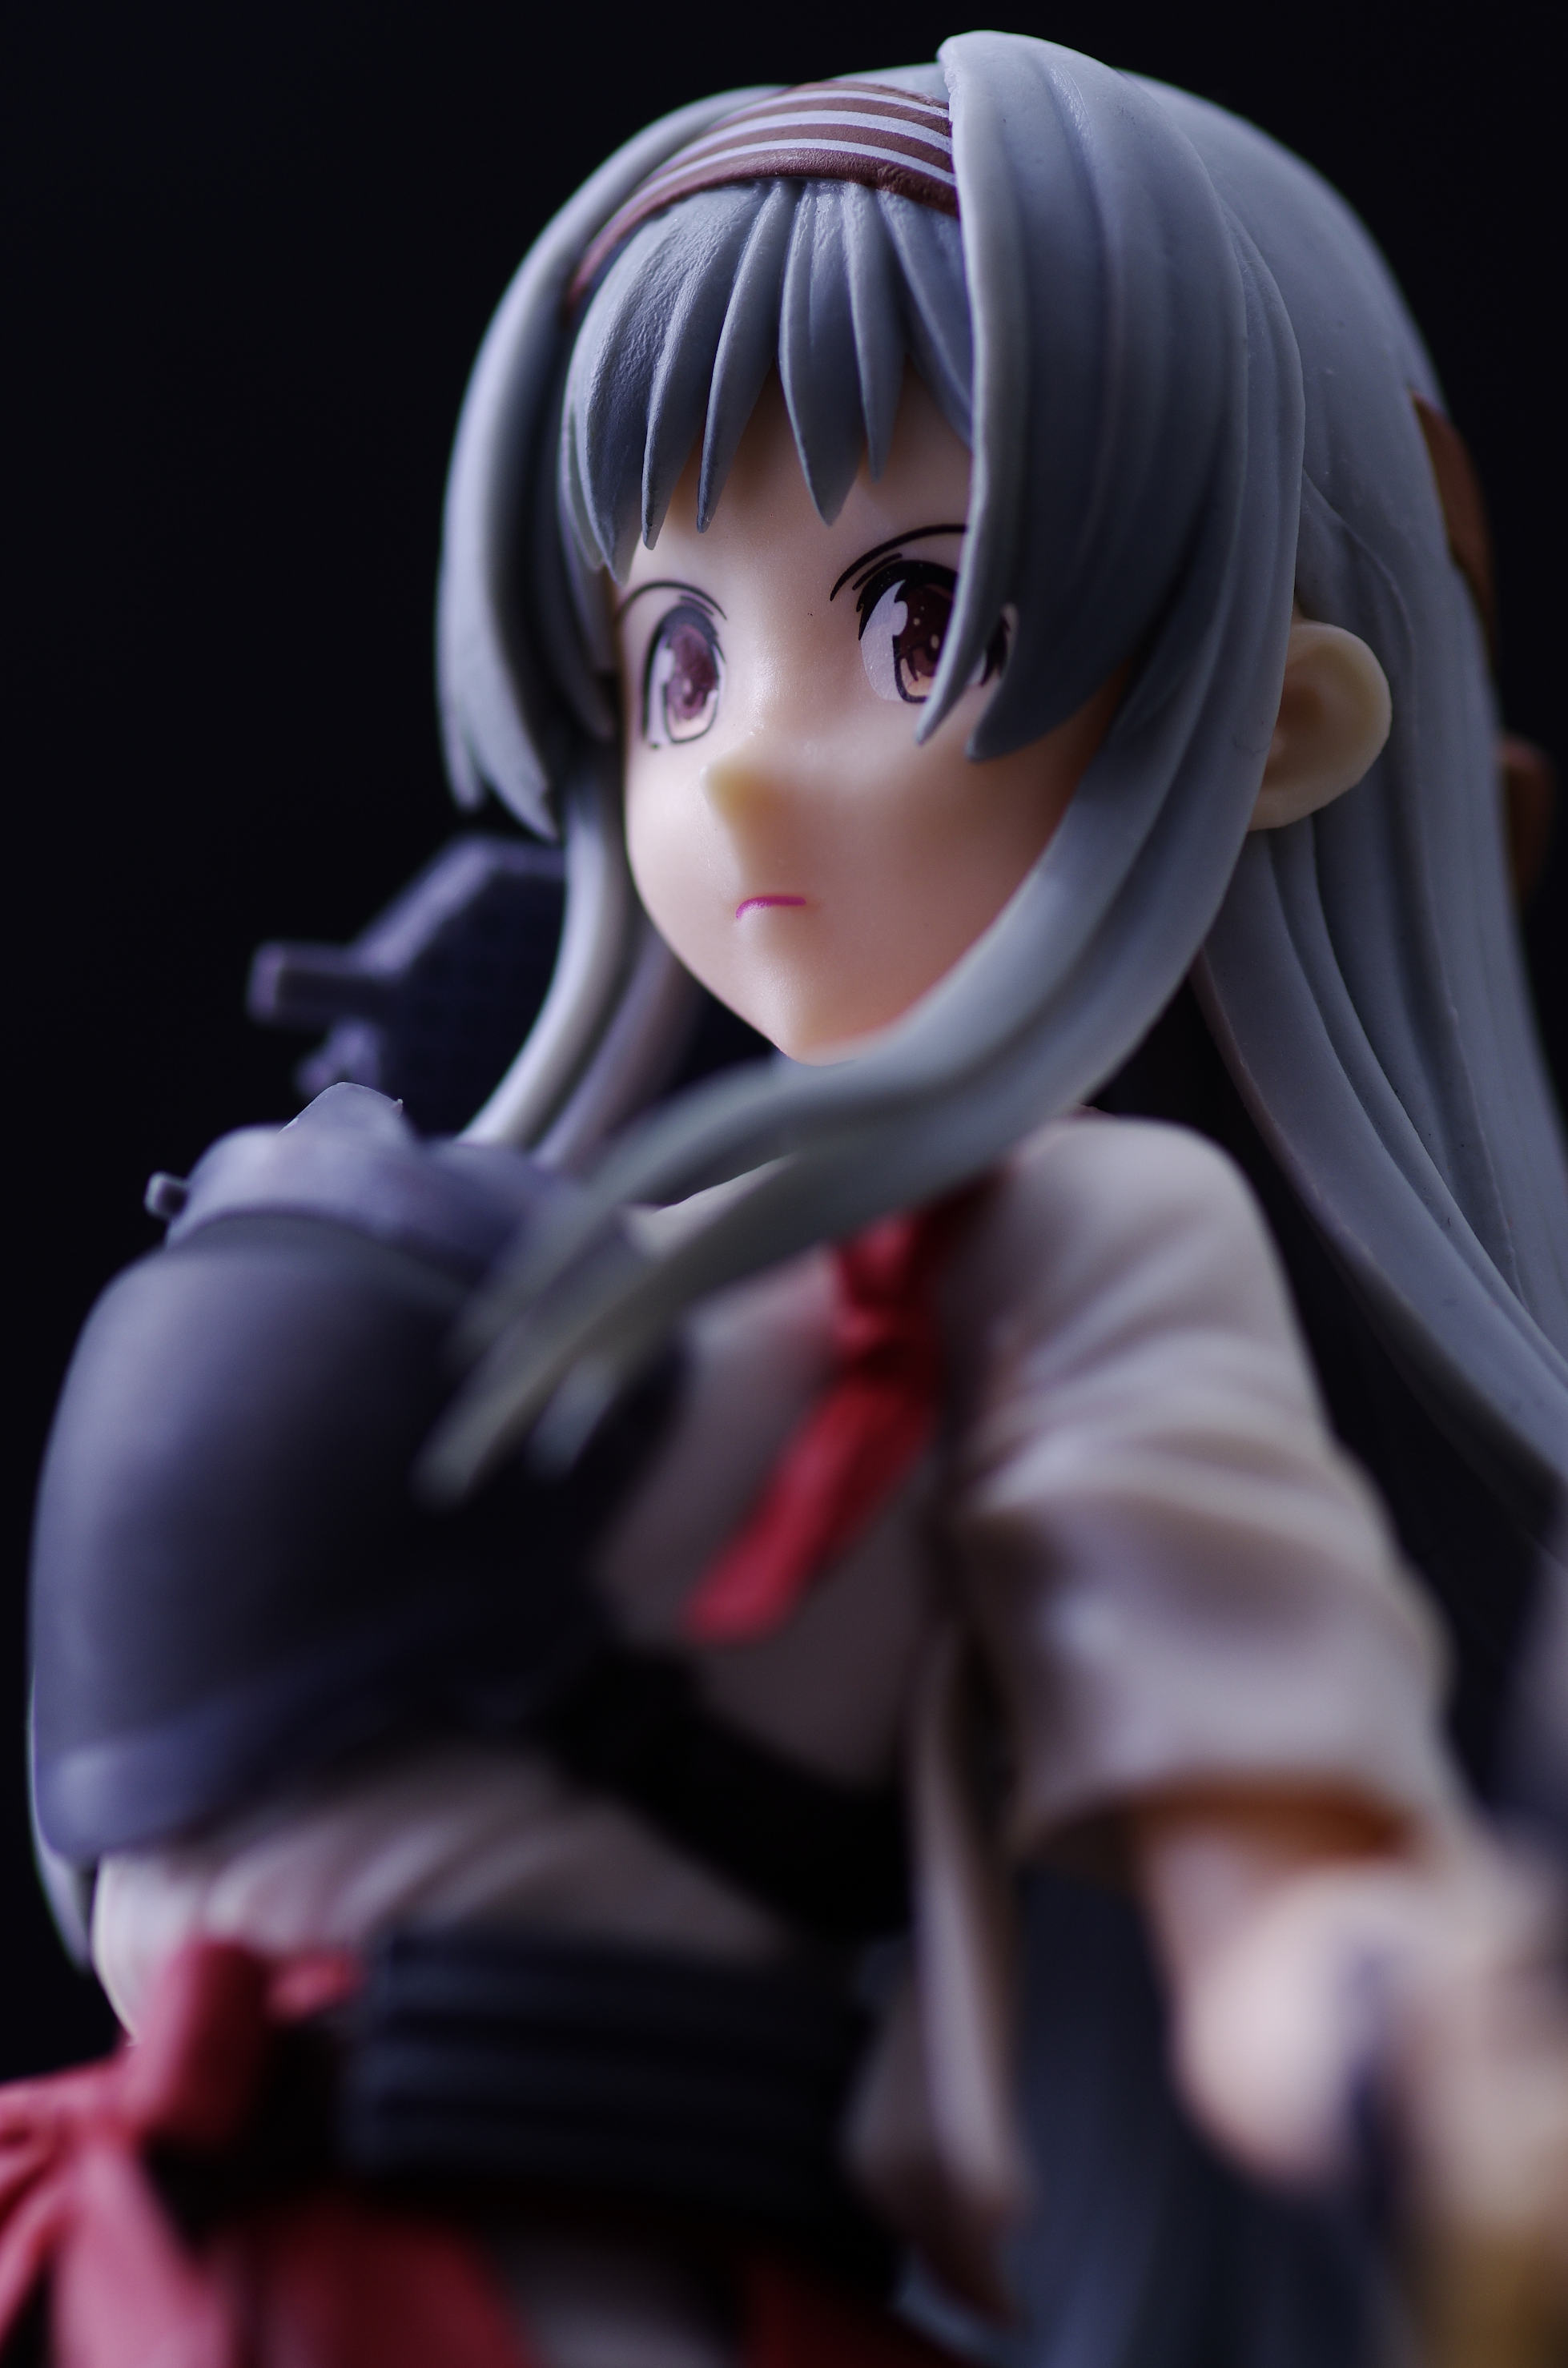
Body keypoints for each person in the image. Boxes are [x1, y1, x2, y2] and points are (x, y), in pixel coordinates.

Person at [13, 35, 1568, 2368]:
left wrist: (1423, 2059)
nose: (734, 758)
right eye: (676, 656)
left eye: (918, 617)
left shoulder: (1063, 1251)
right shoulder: (517, 1203)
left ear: (1272, 721)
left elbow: (1265, 1851)